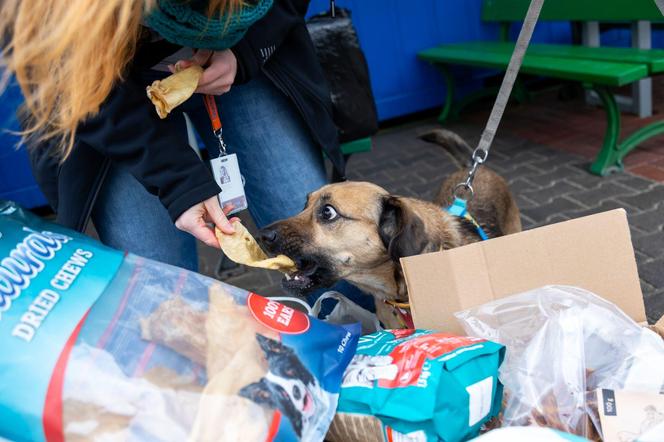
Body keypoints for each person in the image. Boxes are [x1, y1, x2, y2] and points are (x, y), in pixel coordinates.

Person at [0, 0, 345, 272]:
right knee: (162, 286)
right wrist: (178, 180)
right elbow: (66, 76)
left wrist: (246, 51)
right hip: (108, 95)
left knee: (325, 247)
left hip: (241, 51)